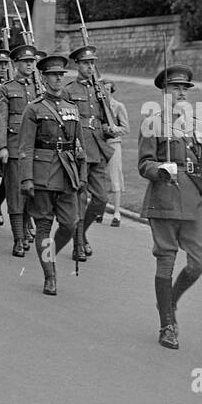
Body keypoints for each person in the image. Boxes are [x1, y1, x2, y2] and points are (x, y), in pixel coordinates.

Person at [138, 64, 202, 351]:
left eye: (185, 88)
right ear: (164, 92)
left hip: (194, 199)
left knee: (199, 260)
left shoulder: (197, 125)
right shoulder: (153, 123)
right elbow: (143, 164)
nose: (181, 92)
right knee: (166, 259)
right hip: (165, 197)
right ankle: (167, 324)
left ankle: (169, 301)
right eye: (175, 87)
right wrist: (160, 169)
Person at [18, 52, 87, 295]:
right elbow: (25, 147)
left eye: (61, 75)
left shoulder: (72, 108)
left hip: (67, 174)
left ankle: (50, 256)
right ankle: (50, 274)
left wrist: (83, 175)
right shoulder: (33, 109)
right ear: (44, 78)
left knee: (70, 224)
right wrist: (26, 178)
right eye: (53, 76)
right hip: (42, 175)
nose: (58, 79)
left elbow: (80, 146)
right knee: (45, 227)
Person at [64, 44, 116, 258]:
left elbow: (106, 118)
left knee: (101, 199)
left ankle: (81, 234)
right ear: (77, 65)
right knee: (80, 199)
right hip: (80, 149)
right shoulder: (69, 90)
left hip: (98, 147)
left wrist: (108, 128)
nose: (90, 67)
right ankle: (77, 244)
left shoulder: (100, 90)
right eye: (86, 63)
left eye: (92, 63)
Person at [0, 43, 40, 256]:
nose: (30, 65)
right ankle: (18, 238)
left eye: (32, 62)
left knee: (31, 193)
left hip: (36, 149)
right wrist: (2, 146)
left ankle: (25, 228)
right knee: (14, 193)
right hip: (14, 147)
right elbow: (1, 118)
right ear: (16, 64)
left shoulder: (40, 88)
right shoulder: (7, 88)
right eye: (26, 62)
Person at [105, 81, 130, 226]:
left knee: (115, 177)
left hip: (114, 144)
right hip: (100, 144)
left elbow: (126, 128)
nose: (106, 92)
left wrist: (114, 129)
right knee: (100, 177)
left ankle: (117, 212)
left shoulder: (118, 106)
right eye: (104, 89)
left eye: (108, 89)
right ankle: (99, 210)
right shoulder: (98, 106)